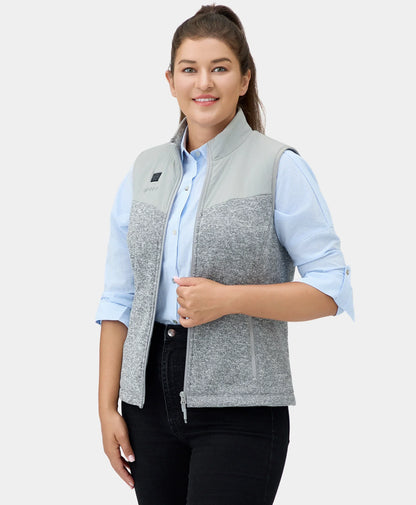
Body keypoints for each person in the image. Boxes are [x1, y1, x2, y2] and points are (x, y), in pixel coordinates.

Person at [95, 4, 354, 505]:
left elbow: (330, 289)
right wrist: (107, 407)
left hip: (242, 408)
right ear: (170, 81)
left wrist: (229, 299)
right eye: (189, 69)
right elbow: (119, 297)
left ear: (244, 78)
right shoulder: (145, 169)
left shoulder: (278, 165)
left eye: (219, 68)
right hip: (146, 404)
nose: (203, 83)